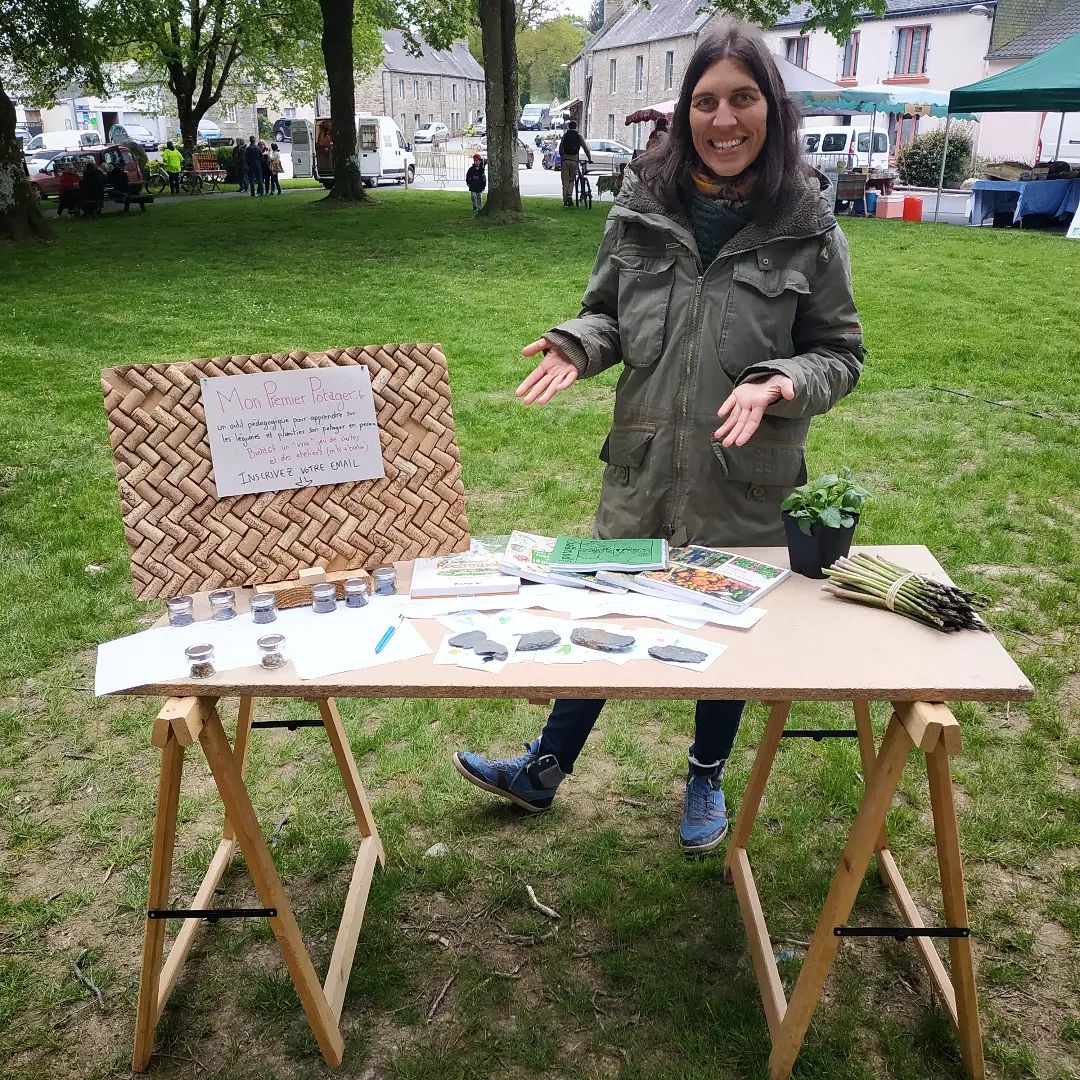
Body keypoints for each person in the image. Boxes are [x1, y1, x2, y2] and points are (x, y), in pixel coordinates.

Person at [452, 23, 864, 855]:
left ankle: (706, 772)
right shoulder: (641, 211)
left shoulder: (808, 227)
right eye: (706, 101)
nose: (723, 119)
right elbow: (608, 314)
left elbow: (841, 353)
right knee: (604, 612)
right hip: (642, 468)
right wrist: (576, 343)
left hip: (747, 476)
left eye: (742, 99)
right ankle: (544, 769)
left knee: (728, 632)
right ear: (684, 114)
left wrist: (787, 380)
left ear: (770, 111)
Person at [558, 120, 592, 207]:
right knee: (571, 180)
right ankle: (569, 195)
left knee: (565, 181)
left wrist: (563, 157)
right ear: (576, 126)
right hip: (574, 161)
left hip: (565, 161)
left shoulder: (565, 136)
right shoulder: (579, 136)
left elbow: (560, 148)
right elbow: (586, 149)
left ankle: (565, 200)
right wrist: (589, 158)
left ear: (569, 126)